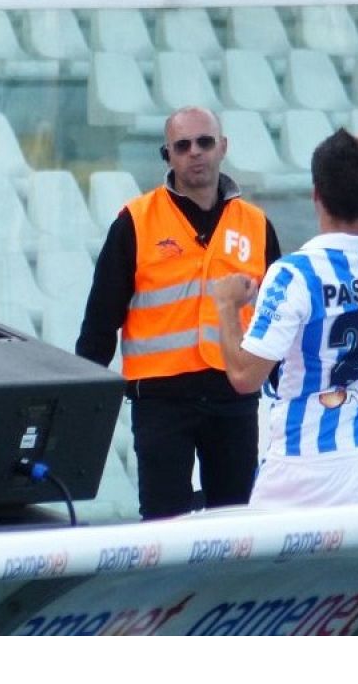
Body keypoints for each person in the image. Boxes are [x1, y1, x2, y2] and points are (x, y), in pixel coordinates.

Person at [211, 127, 358, 508]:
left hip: (303, 467)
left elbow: (245, 377)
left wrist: (226, 306)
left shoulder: (296, 274)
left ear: (316, 194)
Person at [75, 106, 281, 519]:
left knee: (236, 522)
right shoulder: (136, 222)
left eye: (205, 142)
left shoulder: (256, 225)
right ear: (167, 155)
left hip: (233, 396)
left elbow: (277, 317)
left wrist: (285, 388)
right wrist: (82, 400)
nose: (195, 152)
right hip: (161, 400)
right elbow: (101, 319)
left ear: (223, 147)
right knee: (163, 524)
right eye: (182, 145)